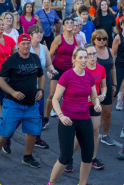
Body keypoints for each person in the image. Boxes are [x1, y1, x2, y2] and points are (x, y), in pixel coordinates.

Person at [0, 33, 45, 174]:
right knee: (4, 133)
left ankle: (27, 157)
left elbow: (41, 75)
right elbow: (0, 80)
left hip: (31, 104)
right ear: (18, 45)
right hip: (13, 104)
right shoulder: (11, 60)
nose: (26, 46)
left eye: (28, 43)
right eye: (23, 43)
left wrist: (41, 89)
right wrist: (12, 92)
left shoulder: (35, 58)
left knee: (32, 132)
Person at [47, 47, 101, 185]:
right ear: (74, 59)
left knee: (88, 155)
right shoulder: (67, 76)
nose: (84, 60)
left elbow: (94, 97)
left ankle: (82, 183)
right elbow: (55, 99)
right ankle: (51, 183)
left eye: (85, 57)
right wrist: (61, 116)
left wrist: (97, 104)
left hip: (84, 118)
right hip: (68, 119)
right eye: (81, 57)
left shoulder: (89, 76)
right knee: (65, 157)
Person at [66, 44, 108, 172]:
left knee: (95, 131)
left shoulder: (101, 68)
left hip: (94, 105)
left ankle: (93, 159)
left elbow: (104, 85)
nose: (92, 56)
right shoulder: (81, 69)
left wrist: (102, 95)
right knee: (80, 136)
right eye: (89, 54)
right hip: (82, 105)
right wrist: (85, 97)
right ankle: (69, 158)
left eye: (94, 53)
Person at [45, 18, 80, 128]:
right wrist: (50, 70)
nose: (69, 25)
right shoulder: (58, 39)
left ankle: (67, 118)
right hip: (57, 69)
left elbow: (77, 58)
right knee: (52, 94)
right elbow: (50, 55)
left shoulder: (77, 41)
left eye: (71, 23)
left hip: (70, 72)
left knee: (69, 96)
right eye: (67, 23)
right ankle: (45, 118)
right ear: (63, 26)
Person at [91, 30, 116, 146]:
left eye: (104, 38)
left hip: (107, 86)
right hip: (92, 86)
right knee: (90, 112)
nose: (101, 40)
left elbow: (113, 68)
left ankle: (105, 136)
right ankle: (87, 135)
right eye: (99, 38)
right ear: (94, 40)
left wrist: (115, 84)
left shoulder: (110, 51)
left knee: (107, 113)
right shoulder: (90, 52)